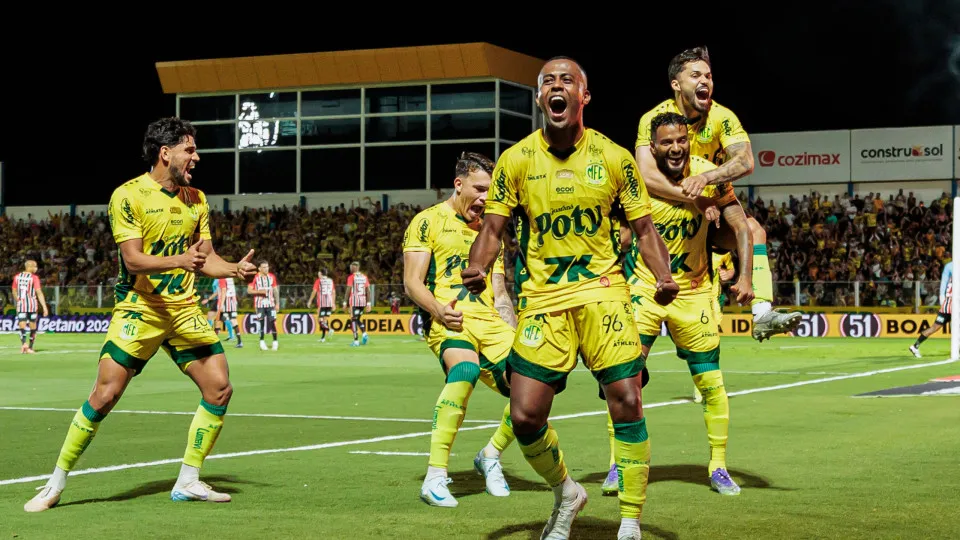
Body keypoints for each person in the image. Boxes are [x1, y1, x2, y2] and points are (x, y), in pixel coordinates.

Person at [462, 57, 679, 540]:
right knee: (524, 415)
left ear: (584, 95)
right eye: (548, 82)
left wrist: (663, 275)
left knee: (627, 401)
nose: (556, 86)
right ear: (541, 97)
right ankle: (567, 492)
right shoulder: (516, 160)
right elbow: (492, 230)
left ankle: (630, 521)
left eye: (567, 80)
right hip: (543, 300)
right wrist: (478, 267)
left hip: (604, 293)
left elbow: (645, 229)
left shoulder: (615, 157)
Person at [24, 117, 257, 512]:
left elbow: (205, 258)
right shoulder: (128, 195)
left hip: (183, 308)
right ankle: (55, 482)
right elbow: (133, 260)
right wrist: (180, 260)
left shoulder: (197, 199)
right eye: (189, 150)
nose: (197, 157)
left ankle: (188, 480)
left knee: (219, 388)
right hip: (140, 306)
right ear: (165, 153)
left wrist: (233, 268)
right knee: (105, 394)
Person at [605, 112, 754, 497]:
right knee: (624, 381)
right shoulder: (637, 179)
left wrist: (746, 277)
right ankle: (619, 464)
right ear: (653, 148)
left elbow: (742, 227)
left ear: (689, 140)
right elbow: (620, 233)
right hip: (645, 288)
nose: (675, 148)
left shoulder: (708, 173)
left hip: (693, 292)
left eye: (681, 140)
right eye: (666, 142)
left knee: (711, 383)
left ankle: (718, 467)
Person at [634, 46, 801, 341]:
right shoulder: (655, 119)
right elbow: (646, 175)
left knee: (754, 230)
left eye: (709, 76)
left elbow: (746, 161)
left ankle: (762, 313)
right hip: (667, 211)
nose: (705, 81)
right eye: (695, 75)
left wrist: (705, 179)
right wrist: (695, 198)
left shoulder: (722, 117)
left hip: (711, 202)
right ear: (676, 84)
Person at [403, 151, 519, 507]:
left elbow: (499, 290)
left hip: (490, 322)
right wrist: (438, 310)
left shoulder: (491, 231)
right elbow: (412, 282)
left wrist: (512, 327)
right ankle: (435, 476)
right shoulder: (428, 221)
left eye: (490, 192)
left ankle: (490, 455)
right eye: (479, 189)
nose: (485, 199)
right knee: (465, 371)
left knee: (535, 386)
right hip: (450, 318)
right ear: (459, 184)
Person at [910, 260, 952, 357]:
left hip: (945, 307)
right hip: (953, 306)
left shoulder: (951, 279)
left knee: (934, 327)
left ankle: (915, 346)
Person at [12, 260, 49, 353]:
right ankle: (30, 347)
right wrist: (44, 307)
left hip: (21, 304)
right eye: (35, 266)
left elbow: (14, 291)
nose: (36, 268)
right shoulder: (34, 278)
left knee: (22, 323)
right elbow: (39, 292)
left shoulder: (17, 277)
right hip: (32, 305)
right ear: (30, 267)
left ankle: (24, 344)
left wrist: (18, 300)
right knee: (33, 325)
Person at [248, 261, 279, 350]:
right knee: (261, 323)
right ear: (259, 269)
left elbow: (275, 290)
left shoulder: (272, 277)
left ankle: (275, 342)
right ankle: (262, 342)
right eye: (264, 267)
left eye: (267, 267)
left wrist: (277, 303)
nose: (266, 269)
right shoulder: (254, 278)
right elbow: (249, 290)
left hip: (270, 304)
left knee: (273, 322)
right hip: (259, 304)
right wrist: (260, 292)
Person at [344, 261, 371, 346]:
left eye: (352, 267)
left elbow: (348, 290)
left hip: (354, 302)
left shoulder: (351, 277)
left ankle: (356, 341)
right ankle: (364, 334)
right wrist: (368, 303)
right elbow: (368, 291)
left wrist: (345, 302)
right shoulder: (364, 277)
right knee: (357, 319)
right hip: (362, 302)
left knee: (353, 320)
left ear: (355, 268)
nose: (350, 268)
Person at [307, 269, 336, 342]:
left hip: (322, 303)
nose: (318, 275)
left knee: (320, 320)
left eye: (319, 273)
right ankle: (323, 338)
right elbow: (333, 292)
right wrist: (333, 303)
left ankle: (329, 330)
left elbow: (314, 291)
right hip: (329, 303)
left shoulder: (319, 281)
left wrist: (310, 301)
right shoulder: (331, 281)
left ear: (321, 274)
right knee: (324, 321)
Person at [216, 277, 242, 347]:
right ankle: (240, 342)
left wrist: (221, 304)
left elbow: (224, 290)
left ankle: (213, 343)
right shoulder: (230, 278)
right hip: (232, 300)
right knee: (233, 320)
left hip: (226, 301)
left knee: (218, 320)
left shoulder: (222, 278)